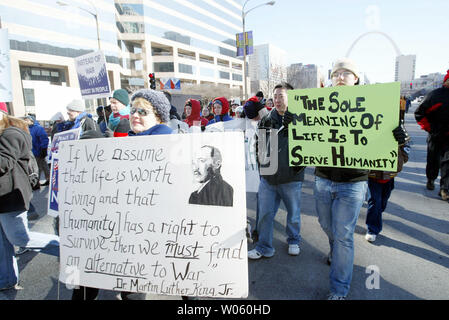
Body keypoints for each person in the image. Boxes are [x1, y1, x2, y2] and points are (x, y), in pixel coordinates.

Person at [313, 58, 408, 300]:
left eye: (346, 73)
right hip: (323, 178)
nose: (341, 77)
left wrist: (398, 136)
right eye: (336, 73)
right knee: (328, 226)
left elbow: (385, 135)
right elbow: (306, 133)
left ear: (356, 79)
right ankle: (337, 252)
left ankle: (338, 289)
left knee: (344, 234)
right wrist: (294, 124)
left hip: (353, 183)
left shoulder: (372, 104)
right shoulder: (317, 104)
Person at [0, 104, 59, 291]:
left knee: (20, 238)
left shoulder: (12, 134)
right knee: (2, 243)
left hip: (10, 197)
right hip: (4, 197)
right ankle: (7, 278)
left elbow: (3, 163)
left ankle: (68, 248)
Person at [247, 82, 305, 260]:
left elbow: (309, 145)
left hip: (292, 177)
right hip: (268, 178)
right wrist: (262, 165)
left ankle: (294, 240)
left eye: (281, 96)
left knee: (293, 213)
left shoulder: (302, 118)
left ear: (291, 97)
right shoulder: (267, 119)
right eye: (275, 96)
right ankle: (264, 247)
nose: (277, 100)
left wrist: (295, 125)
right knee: (265, 214)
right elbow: (259, 145)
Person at [414, 70, 449, 201]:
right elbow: (419, 113)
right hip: (436, 134)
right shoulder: (435, 95)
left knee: (447, 163)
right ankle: (431, 178)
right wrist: (429, 128)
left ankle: (445, 189)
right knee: (433, 160)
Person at [24, 115, 50, 186]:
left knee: (37, 167)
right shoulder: (26, 128)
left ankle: (36, 182)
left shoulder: (38, 128)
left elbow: (44, 139)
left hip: (38, 150)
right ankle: (48, 178)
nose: (25, 121)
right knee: (43, 165)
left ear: (32, 121)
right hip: (32, 151)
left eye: (27, 120)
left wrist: (43, 149)